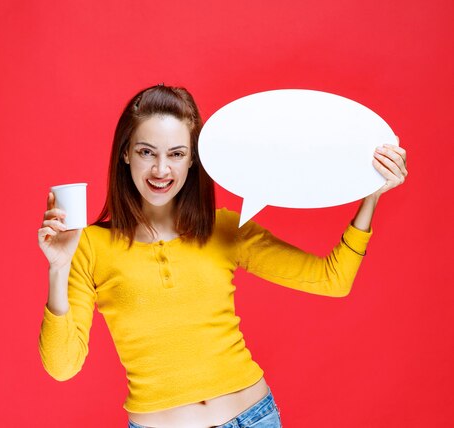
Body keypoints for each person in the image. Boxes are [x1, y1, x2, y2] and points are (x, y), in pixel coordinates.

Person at [37, 85, 408, 428]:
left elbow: (333, 280)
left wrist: (370, 193)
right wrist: (58, 267)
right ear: (125, 153)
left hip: (253, 416)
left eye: (176, 154)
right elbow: (63, 366)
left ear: (193, 160)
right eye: (147, 152)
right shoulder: (88, 245)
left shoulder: (224, 228)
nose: (161, 170)